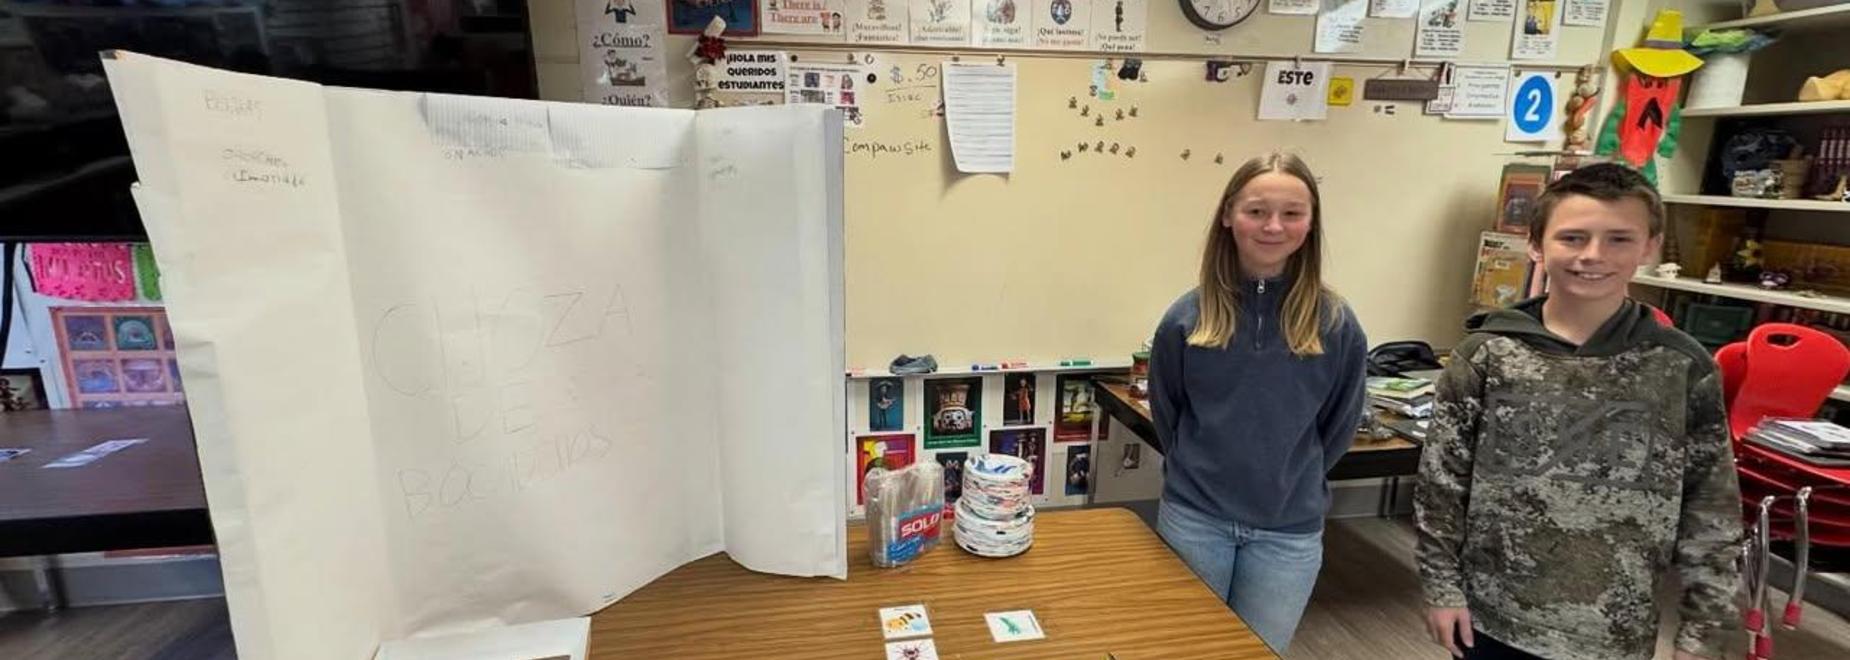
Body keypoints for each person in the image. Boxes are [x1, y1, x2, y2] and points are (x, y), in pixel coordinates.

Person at [1416, 163, 1741, 660]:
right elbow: (1442, 485)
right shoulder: (1487, 354)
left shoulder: (1681, 367)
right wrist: (1442, 588)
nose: (1593, 256)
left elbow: (1711, 510)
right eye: (1572, 237)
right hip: (1492, 618)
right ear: (1536, 245)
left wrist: (1702, 631)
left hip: (1614, 631)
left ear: (1650, 246)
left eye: (1618, 239)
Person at [1147, 151, 1369, 653]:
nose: (1273, 226)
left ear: (1310, 224)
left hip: (1287, 533)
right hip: (1196, 519)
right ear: (1228, 216)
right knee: (1188, 649)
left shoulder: (1335, 323)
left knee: (1259, 650)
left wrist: (1292, 478)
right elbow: (1168, 414)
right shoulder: (1187, 318)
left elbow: (1337, 426)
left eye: (1292, 213)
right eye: (1256, 211)